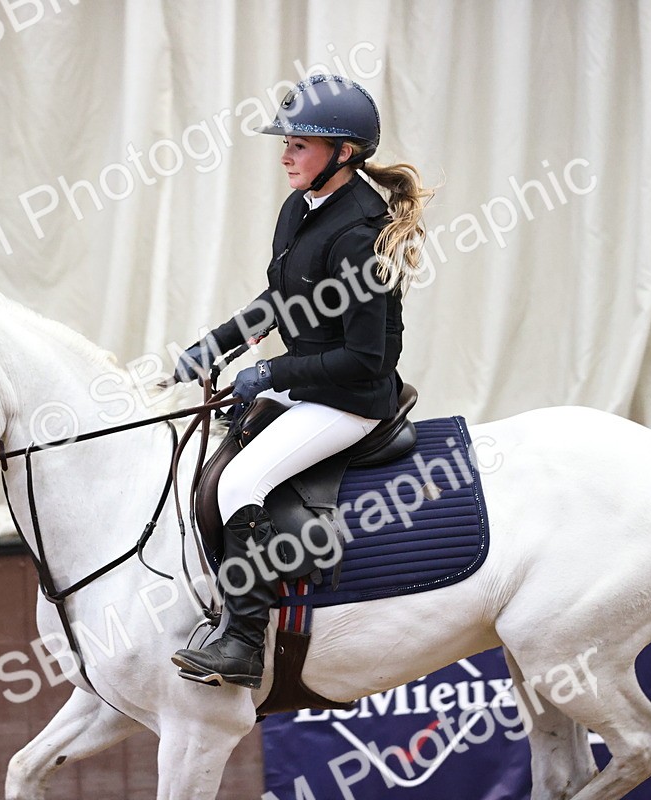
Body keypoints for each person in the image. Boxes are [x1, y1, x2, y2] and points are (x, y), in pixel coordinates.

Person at [169, 74, 431, 689]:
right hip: (310, 383)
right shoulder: (301, 208)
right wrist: (222, 341)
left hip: (351, 400)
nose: (285, 154)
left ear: (343, 154)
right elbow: (286, 299)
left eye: (301, 144)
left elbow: (365, 360)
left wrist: (271, 372)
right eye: (285, 142)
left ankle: (243, 641)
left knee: (241, 481)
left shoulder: (360, 236)